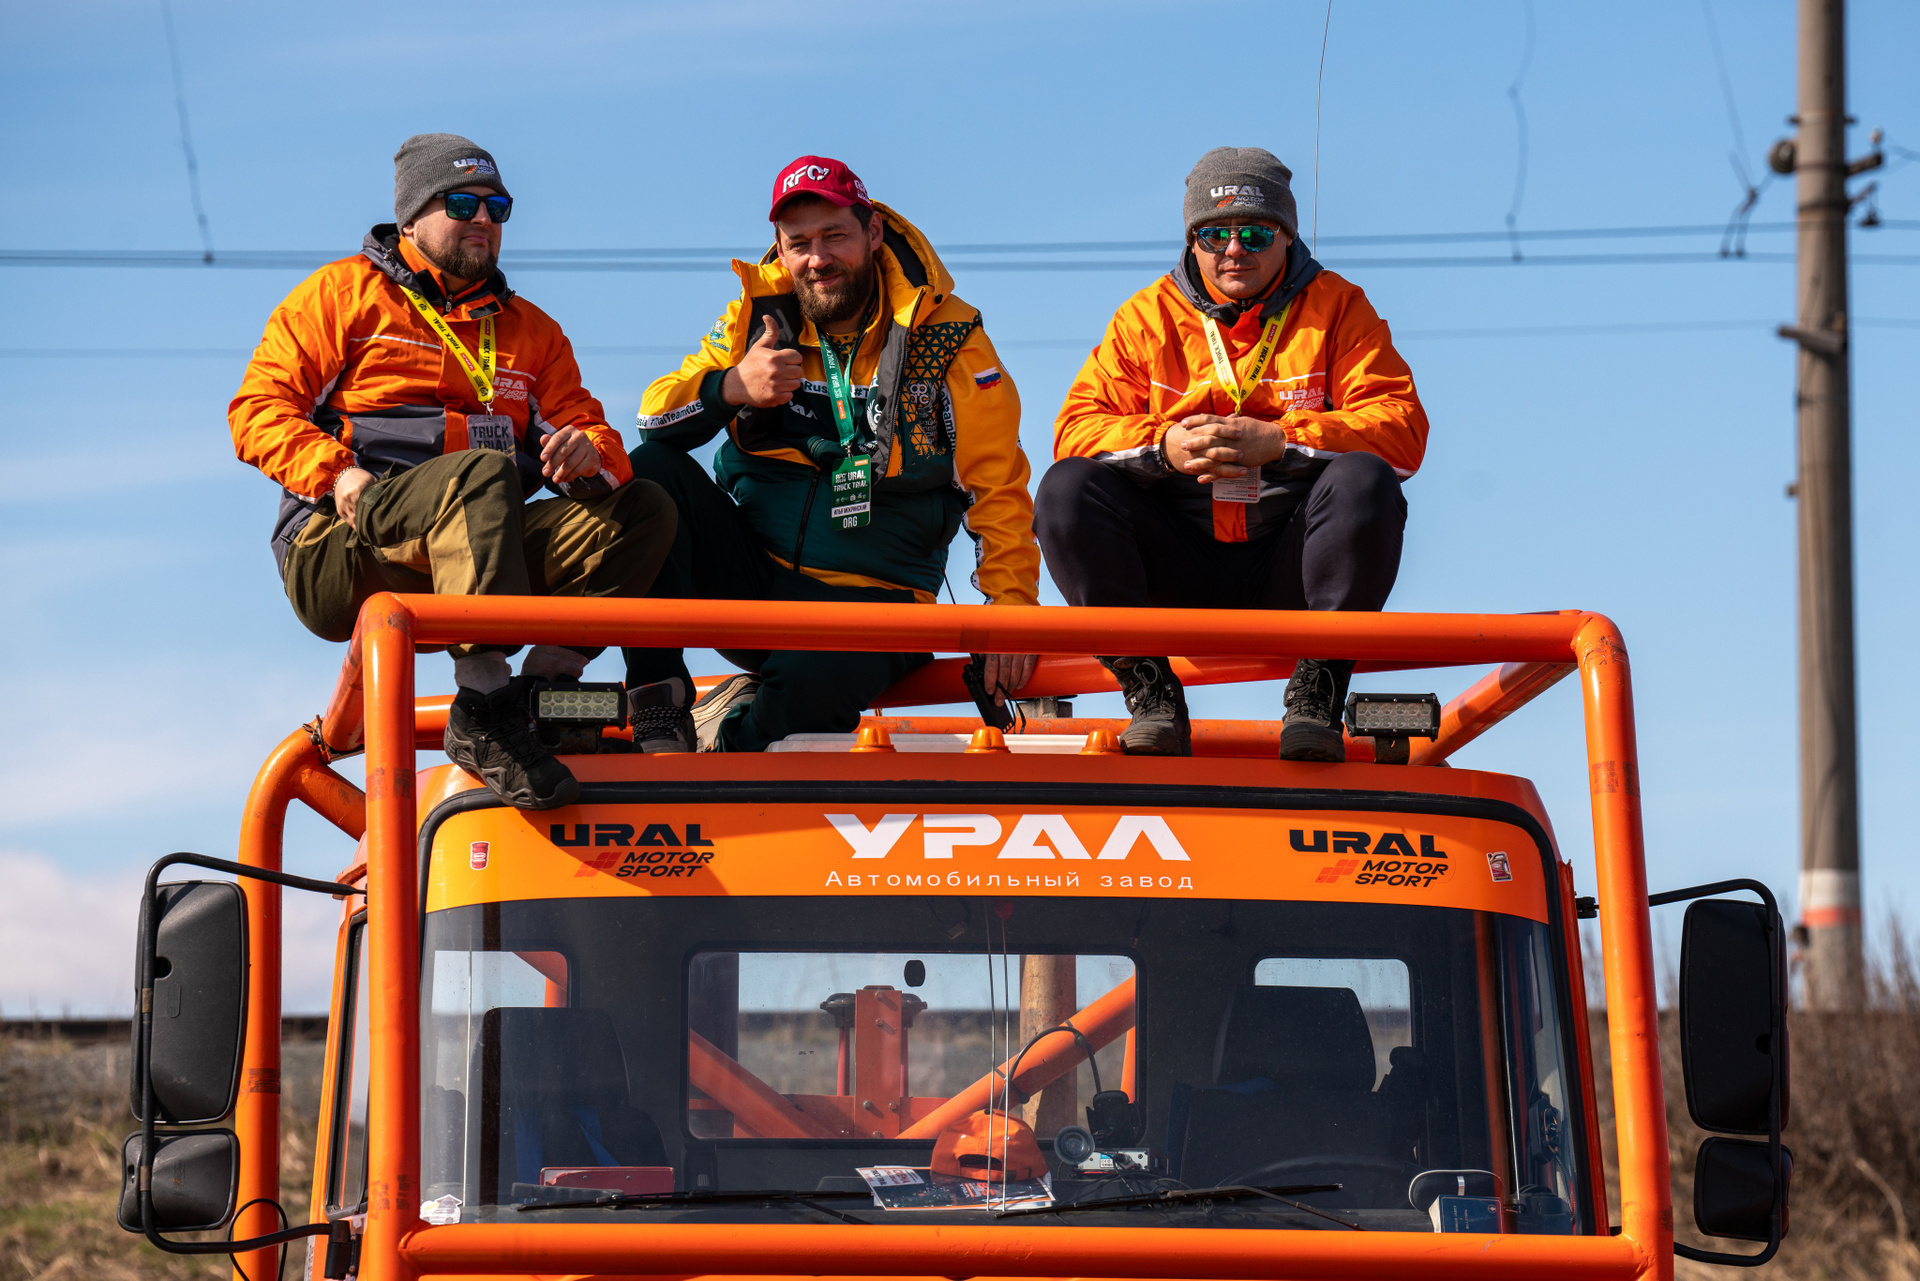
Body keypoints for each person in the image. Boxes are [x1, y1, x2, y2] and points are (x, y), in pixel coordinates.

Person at [230, 133, 676, 809]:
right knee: (481, 475)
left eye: (498, 208)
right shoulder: (339, 295)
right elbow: (257, 409)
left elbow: (593, 432)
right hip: (344, 541)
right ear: (410, 220)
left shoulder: (533, 332)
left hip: (480, 546)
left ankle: (543, 691)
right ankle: (484, 703)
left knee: (646, 505)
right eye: (462, 204)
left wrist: (589, 457)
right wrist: (338, 474)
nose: (483, 219)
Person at [626, 156, 1040, 752]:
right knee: (650, 475)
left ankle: (724, 747)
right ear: (780, 249)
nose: (817, 259)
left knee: (807, 687)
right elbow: (652, 418)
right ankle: (659, 708)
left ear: (872, 233)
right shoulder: (755, 318)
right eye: (799, 244)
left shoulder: (949, 332)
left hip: (878, 602)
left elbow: (997, 485)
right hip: (755, 583)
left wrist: (1010, 608)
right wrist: (731, 387)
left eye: (834, 236)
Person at [1038, 147, 1427, 761]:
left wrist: (1282, 440)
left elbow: (1401, 430)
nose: (1234, 250)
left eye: (1255, 233)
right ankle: (1151, 695)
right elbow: (1076, 430)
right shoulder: (1145, 318)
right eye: (1214, 234)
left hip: (1294, 570)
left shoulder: (1338, 306)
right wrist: (1164, 447)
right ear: (1192, 242)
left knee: (1366, 479)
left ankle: (1317, 696)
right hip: (1174, 566)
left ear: (1287, 237)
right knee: (1066, 488)